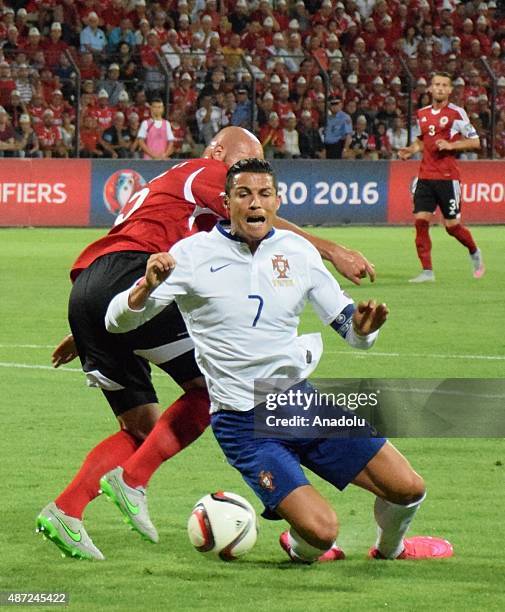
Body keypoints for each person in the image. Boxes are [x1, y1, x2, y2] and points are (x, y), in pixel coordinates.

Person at [36, 127, 375, 561]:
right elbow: (267, 225)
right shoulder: (205, 170)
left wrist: (87, 330)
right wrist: (331, 249)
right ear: (217, 153)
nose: (245, 181)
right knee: (218, 386)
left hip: (96, 292)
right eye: (241, 163)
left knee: (140, 427)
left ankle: (66, 510)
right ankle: (134, 480)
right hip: (135, 276)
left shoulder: (180, 200)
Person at [102, 158, 453, 563]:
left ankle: (391, 550)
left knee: (409, 487)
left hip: (300, 403)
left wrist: (364, 328)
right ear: (226, 201)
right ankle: (300, 544)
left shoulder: (298, 252)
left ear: (277, 201)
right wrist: (144, 289)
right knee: (322, 532)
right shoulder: (192, 255)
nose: (255, 203)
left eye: (264, 194)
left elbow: (352, 333)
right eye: (244, 194)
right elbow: (115, 321)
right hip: (244, 423)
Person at [399, 72, 485, 282]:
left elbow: (475, 142)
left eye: (443, 85)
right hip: (425, 177)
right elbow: (422, 140)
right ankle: (427, 271)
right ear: (430, 88)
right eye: (436, 84)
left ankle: (474, 251)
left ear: (449, 90)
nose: (439, 88)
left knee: (452, 227)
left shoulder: (457, 113)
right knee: (421, 221)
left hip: (447, 178)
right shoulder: (422, 114)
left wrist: (452, 145)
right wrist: (411, 149)